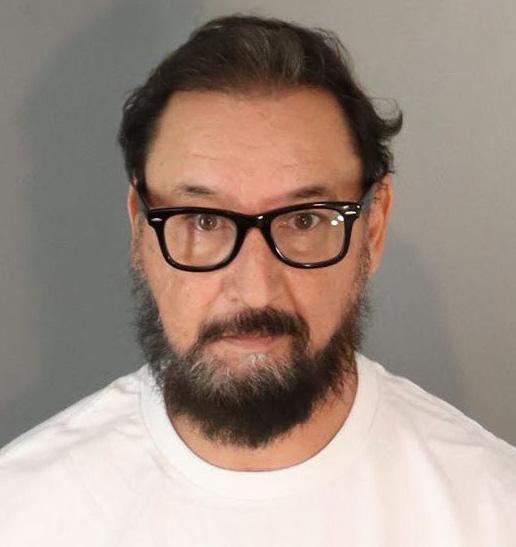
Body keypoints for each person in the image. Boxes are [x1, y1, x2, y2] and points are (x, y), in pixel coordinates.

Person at [0, 14, 514, 547]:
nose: (254, 289)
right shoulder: (21, 513)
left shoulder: (495, 511)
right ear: (139, 229)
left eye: (304, 221)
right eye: (204, 221)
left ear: (375, 227)